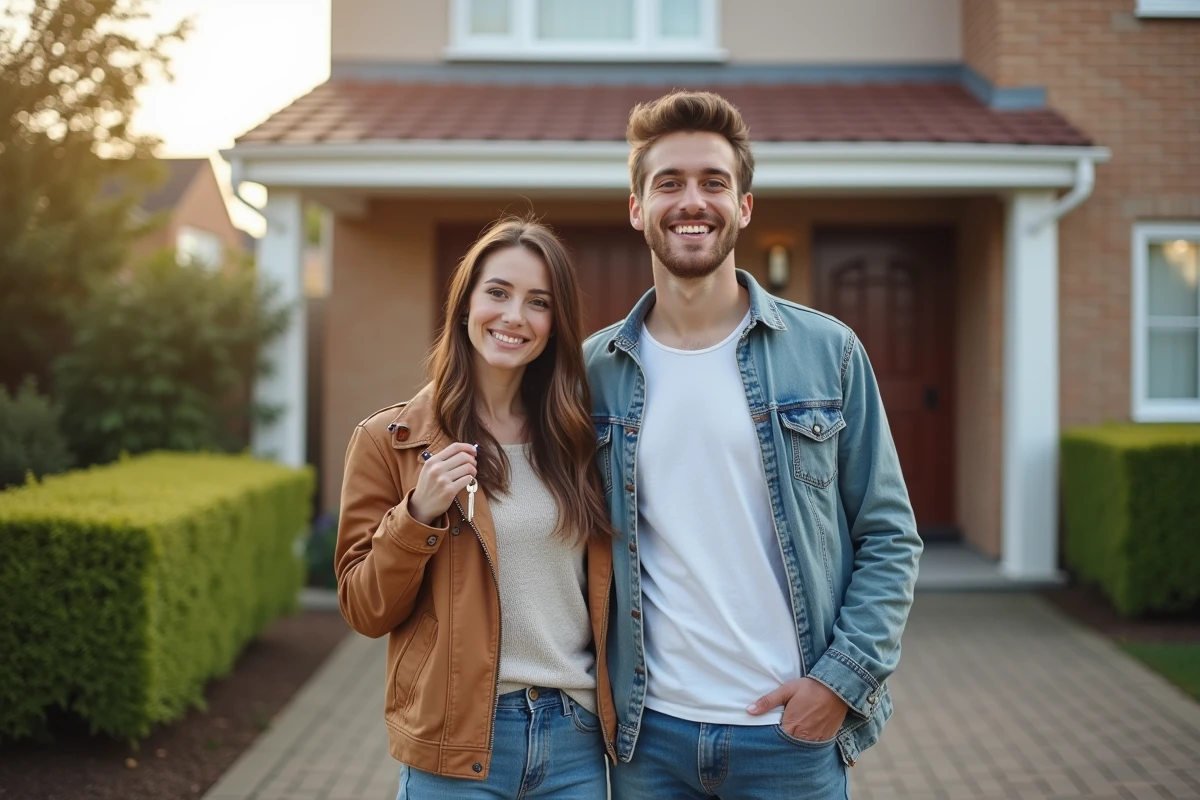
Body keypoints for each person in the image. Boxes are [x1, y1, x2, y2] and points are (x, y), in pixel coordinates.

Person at [583, 91, 923, 799]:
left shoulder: (827, 352)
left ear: (743, 207)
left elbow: (889, 535)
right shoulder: (593, 371)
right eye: (668, 183)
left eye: (713, 182)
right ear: (637, 208)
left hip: (789, 740)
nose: (691, 201)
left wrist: (840, 684)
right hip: (651, 739)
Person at [335, 216, 617, 799]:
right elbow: (363, 608)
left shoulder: (580, 440)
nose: (514, 316)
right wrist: (415, 516)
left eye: (538, 302)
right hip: (458, 744)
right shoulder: (391, 442)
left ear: (554, 324)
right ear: (465, 303)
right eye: (498, 292)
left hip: (575, 741)